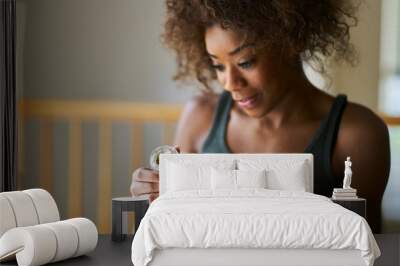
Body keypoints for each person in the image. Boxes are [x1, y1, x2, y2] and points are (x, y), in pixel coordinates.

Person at [130, 0, 390, 233]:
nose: (230, 83)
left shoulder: (357, 134)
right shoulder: (200, 117)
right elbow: (173, 225)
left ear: (291, 42)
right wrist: (152, 198)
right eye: (218, 66)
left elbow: (369, 251)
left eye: (245, 62)